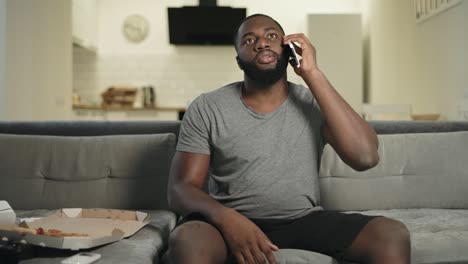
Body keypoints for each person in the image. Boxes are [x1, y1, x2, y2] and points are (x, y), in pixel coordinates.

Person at [166, 14, 411, 264]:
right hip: (227, 221)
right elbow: (180, 189)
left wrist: (312, 73)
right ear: (239, 60)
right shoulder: (208, 107)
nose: (261, 43)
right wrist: (227, 218)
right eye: (249, 40)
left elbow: (365, 157)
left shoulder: (314, 102)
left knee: (390, 234)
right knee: (189, 239)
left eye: (271, 36)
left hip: (302, 221)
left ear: (287, 48)